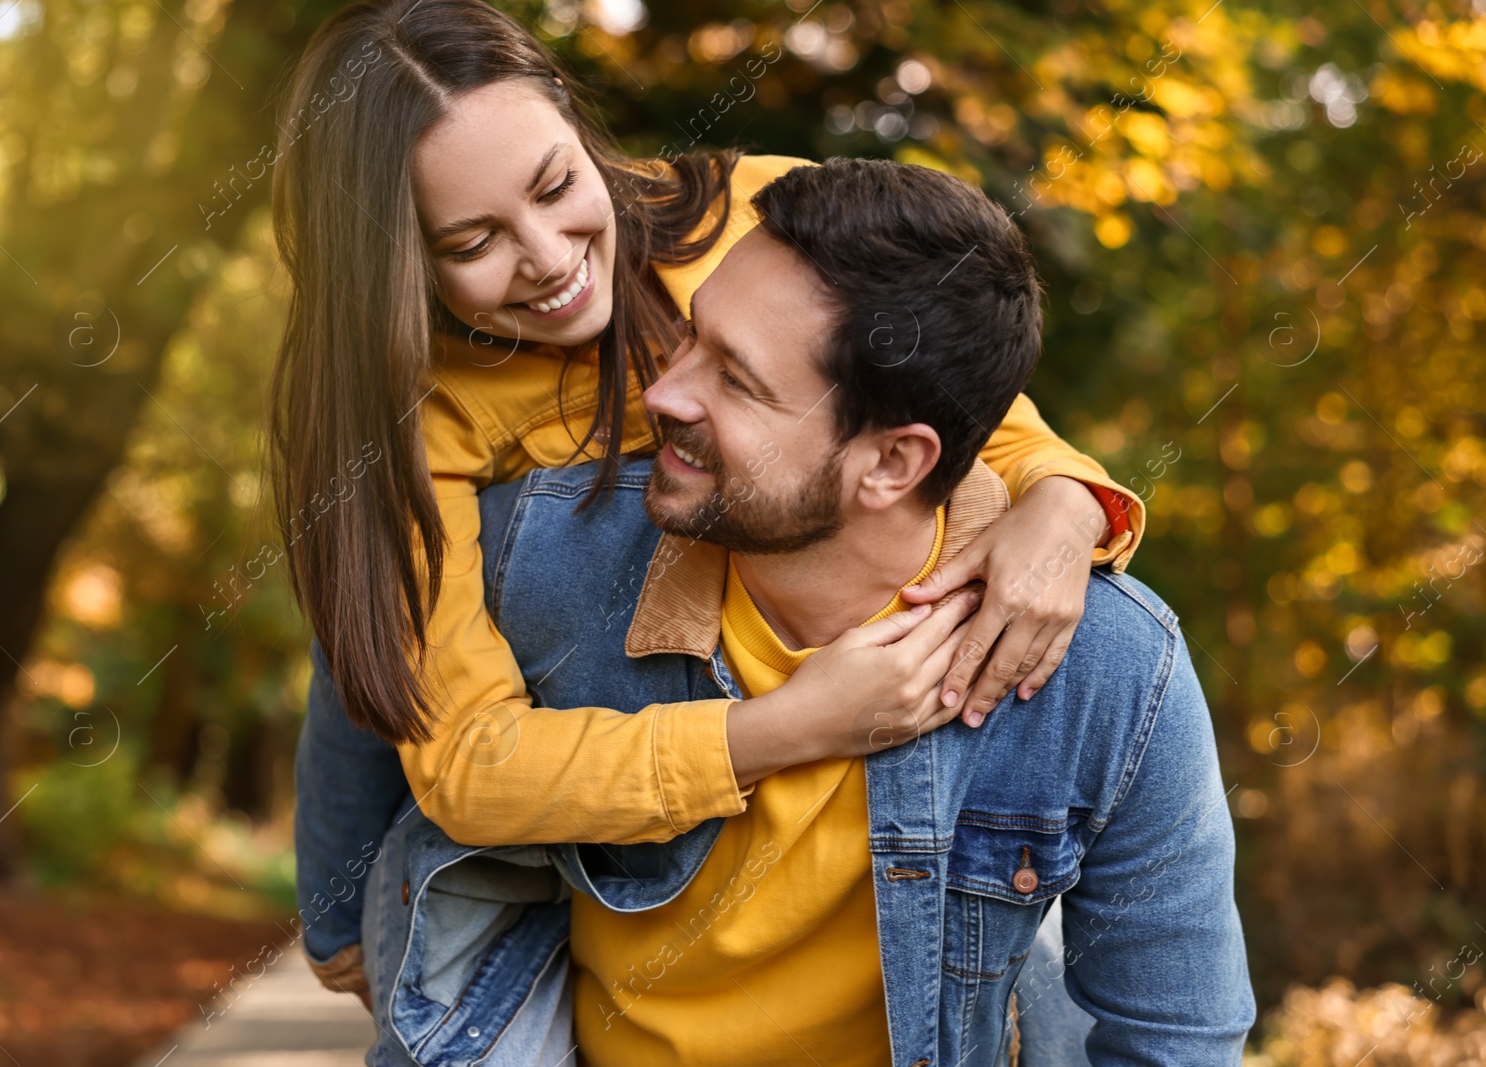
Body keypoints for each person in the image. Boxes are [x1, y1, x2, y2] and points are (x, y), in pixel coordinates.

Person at [269, 0, 1142, 1037]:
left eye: (555, 185)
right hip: (489, 661)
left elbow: (955, 409)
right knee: (358, 628)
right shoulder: (414, 415)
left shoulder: (753, 219)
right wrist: (786, 727)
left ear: (576, 127)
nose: (549, 257)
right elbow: (463, 759)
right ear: (395, 266)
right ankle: (334, 923)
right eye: (473, 240)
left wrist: (1065, 503)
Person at [354, 156, 1252, 1064]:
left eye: (736, 381)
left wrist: (1063, 492)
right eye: (691, 337)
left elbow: (1175, 1034)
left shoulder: (1111, 667)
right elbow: (380, 688)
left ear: (894, 465)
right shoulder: (548, 558)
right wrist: (333, 926)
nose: (660, 392)